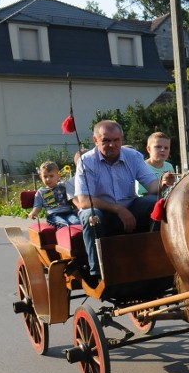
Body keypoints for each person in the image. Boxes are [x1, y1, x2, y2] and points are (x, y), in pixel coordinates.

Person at [74, 120, 175, 282]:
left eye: (116, 140)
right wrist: (119, 210)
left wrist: (162, 183)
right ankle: (97, 272)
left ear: (122, 139)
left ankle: (156, 256)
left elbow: (151, 187)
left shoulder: (133, 156)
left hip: (130, 208)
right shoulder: (86, 161)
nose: (112, 145)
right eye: (106, 140)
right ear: (95, 140)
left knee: (156, 203)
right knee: (90, 215)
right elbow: (85, 200)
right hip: (103, 212)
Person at [29, 161, 81, 227]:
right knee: (62, 223)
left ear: (58, 176)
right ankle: (64, 235)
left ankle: (76, 236)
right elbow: (37, 206)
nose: (48, 179)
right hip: (53, 214)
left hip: (68, 212)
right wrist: (34, 212)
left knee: (76, 222)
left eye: (51, 176)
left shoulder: (64, 186)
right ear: (40, 177)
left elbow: (73, 190)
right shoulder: (41, 192)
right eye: (45, 176)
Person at [136, 132, 176, 197]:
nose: (163, 150)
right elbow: (143, 195)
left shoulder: (169, 166)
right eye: (158, 147)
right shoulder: (142, 167)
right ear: (149, 149)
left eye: (166, 148)